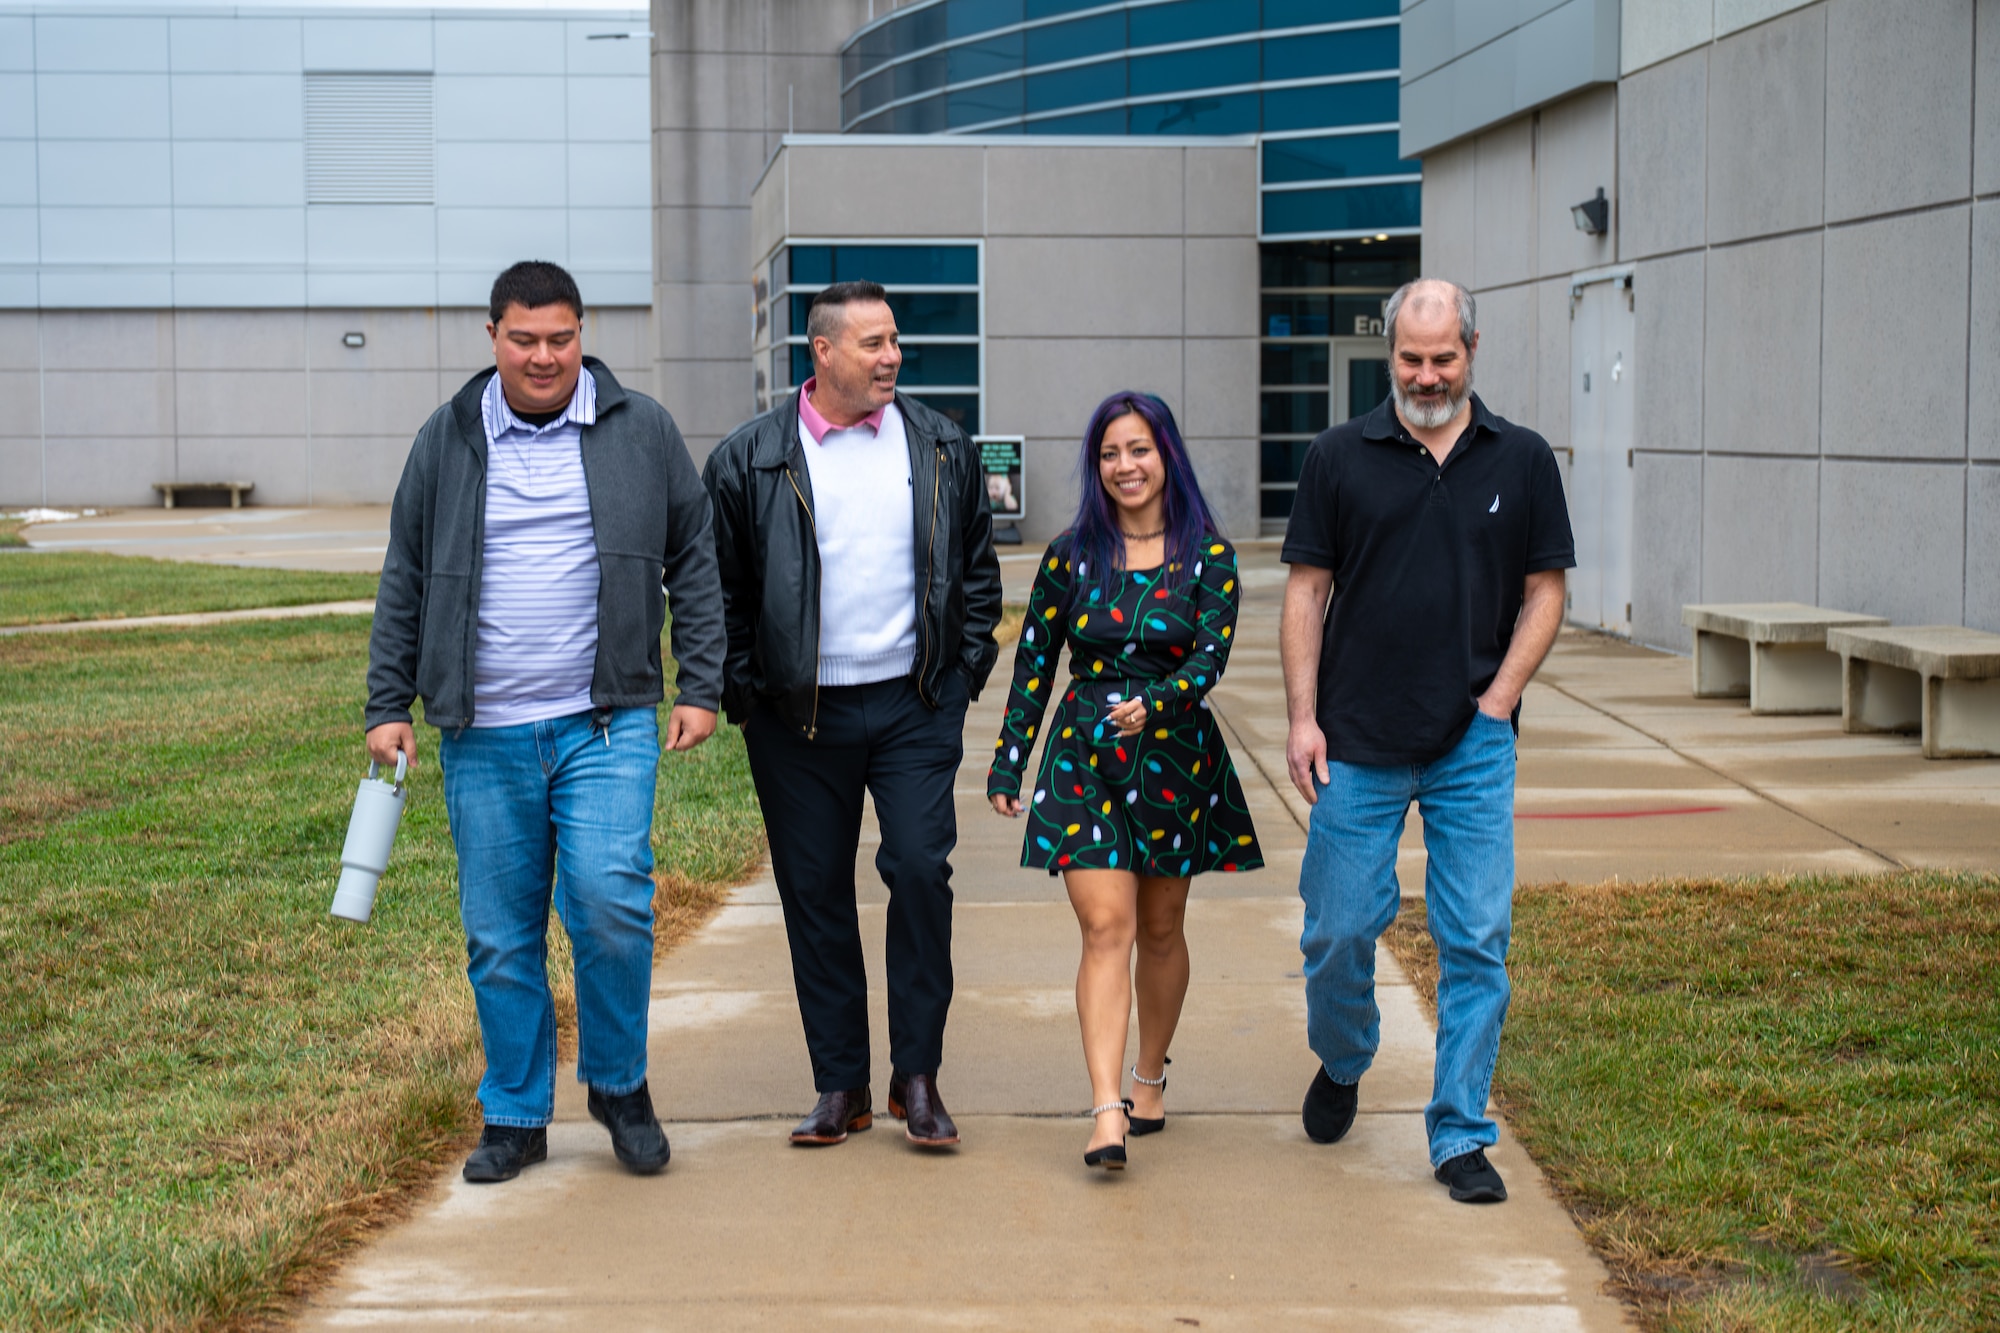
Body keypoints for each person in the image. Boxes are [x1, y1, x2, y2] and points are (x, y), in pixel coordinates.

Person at [365, 260, 725, 1184]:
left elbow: (693, 553)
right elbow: (404, 572)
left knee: (611, 902)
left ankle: (619, 1084)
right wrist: (387, 704)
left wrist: (701, 684)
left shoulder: (638, 429)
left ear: (582, 334)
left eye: (560, 338)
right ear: (492, 337)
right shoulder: (446, 438)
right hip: (481, 733)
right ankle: (517, 1112)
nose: (543, 356)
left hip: (605, 722)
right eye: (523, 339)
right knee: (499, 931)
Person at [1279, 278, 1573, 1204]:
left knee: (1477, 938)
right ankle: (1345, 1056)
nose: (1427, 374)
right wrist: (1301, 714)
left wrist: (1499, 702)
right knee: (1335, 929)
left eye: (1444, 357)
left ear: (1472, 351)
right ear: (1388, 354)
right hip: (1356, 741)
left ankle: (1459, 1133)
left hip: (1470, 746)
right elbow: (1304, 592)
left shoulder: (1521, 459)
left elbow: (1546, 591)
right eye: (1411, 357)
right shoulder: (1338, 454)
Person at [703, 280, 1002, 1150]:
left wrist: (961, 677)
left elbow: (976, 571)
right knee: (815, 895)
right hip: (797, 716)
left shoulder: (941, 443)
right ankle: (842, 1084)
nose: (892, 357)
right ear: (822, 352)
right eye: (873, 343)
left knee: (919, 872)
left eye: (895, 340)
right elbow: (717, 590)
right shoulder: (750, 458)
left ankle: (918, 1078)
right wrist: (747, 692)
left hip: (913, 705)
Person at [988, 392, 1263, 1170]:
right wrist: (1011, 758)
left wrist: (1161, 702)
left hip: (1174, 758)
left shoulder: (1209, 555)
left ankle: (1149, 1076)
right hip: (1085, 752)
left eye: (1138, 449)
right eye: (1110, 453)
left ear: (1166, 454)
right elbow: (1035, 659)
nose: (1124, 466)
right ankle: (1106, 1110)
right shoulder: (1071, 555)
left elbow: (1210, 658)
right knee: (1105, 927)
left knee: (1161, 928)